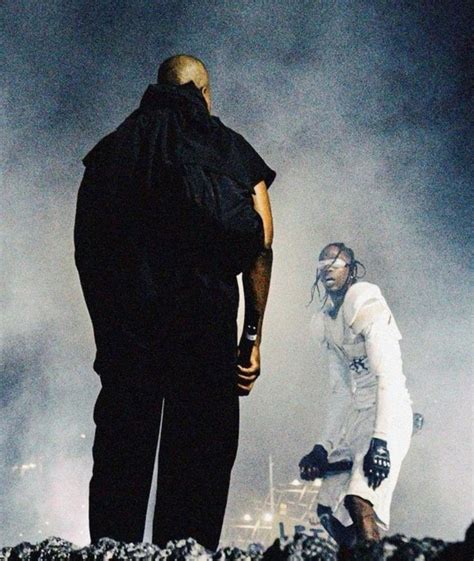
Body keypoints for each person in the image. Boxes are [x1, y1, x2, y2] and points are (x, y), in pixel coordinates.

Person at [74, 54, 275, 550]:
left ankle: (113, 553)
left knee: (121, 458)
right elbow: (262, 243)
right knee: (199, 461)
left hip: (130, 334)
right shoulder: (231, 149)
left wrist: (106, 329)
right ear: (204, 93)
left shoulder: (112, 149)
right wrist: (251, 337)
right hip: (205, 331)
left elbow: (87, 248)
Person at [299, 243, 412, 546]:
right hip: (358, 419)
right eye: (323, 265)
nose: (328, 270)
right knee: (327, 509)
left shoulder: (364, 302)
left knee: (359, 500)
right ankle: (359, 551)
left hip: (387, 414)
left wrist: (381, 440)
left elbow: (388, 375)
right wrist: (322, 447)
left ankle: (374, 552)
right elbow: (341, 391)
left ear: (350, 269)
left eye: (335, 264)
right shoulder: (325, 321)